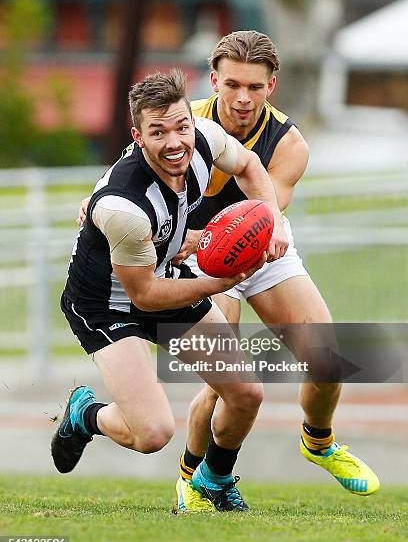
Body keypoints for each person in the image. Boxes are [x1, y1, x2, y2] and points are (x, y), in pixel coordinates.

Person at [52, 68, 289, 512]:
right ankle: (86, 415)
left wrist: (271, 221)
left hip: (161, 275)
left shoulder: (205, 137)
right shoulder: (126, 208)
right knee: (153, 434)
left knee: (246, 394)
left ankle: (213, 482)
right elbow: (144, 297)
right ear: (138, 137)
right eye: (158, 132)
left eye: (181, 126)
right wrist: (223, 280)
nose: (176, 141)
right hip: (106, 304)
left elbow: (251, 167)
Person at [171, 31, 379, 509]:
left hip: (260, 244)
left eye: (255, 87)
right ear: (213, 81)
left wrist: (201, 237)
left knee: (328, 360)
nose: (242, 98)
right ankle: (193, 479)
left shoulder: (290, 144)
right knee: (226, 377)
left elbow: (258, 219)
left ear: (273, 87)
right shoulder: (182, 125)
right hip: (195, 259)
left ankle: (319, 441)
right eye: (232, 85)